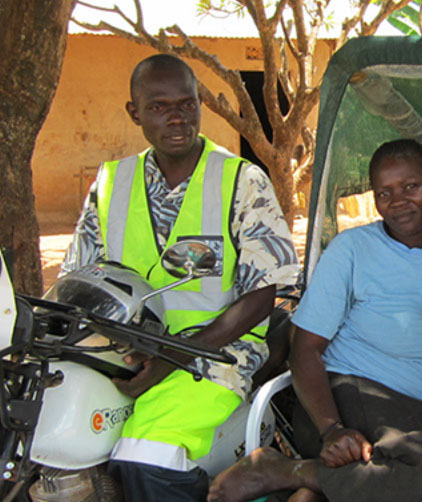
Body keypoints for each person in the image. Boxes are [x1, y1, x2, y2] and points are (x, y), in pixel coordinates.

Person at [206, 138, 422, 502]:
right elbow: (305, 349)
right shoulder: (353, 249)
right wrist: (331, 430)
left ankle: (318, 485)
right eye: (384, 193)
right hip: (348, 397)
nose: (399, 202)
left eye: (412, 186)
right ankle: (284, 469)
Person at [60, 53, 298, 502]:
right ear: (135, 112)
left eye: (187, 104)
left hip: (216, 354)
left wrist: (171, 356)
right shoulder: (111, 182)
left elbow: (262, 297)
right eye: (159, 106)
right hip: (122, 353)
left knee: (148, 454)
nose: (176, 117)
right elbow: (77, 277)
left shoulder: (242, 180)